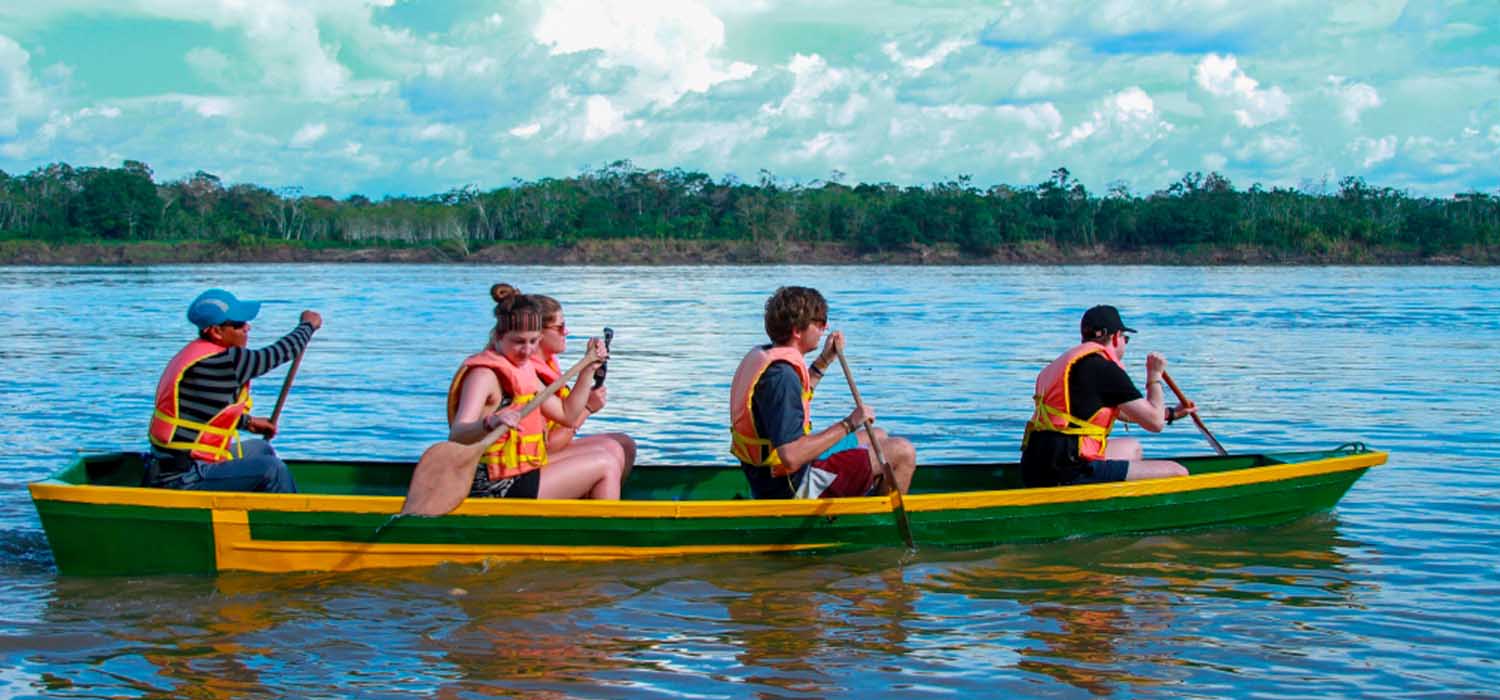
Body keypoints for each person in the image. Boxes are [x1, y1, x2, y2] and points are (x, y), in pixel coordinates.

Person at [730, 285, 917, 499]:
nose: (825, 327)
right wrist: (848, 423)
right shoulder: (781, 377)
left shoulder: (770, 358)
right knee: (902, 452)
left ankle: (858, 500)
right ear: (797, 331)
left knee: (879, 435)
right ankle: (876, 526)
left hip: (774, 476)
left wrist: (824, 361)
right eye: (819, 322)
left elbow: (794, 398)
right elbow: (791, 456)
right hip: (790, 486)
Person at [446, 284, 624, 500]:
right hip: (493, 486)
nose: (527, 350)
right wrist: (489, 422)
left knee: (609, 453)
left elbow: (567, 415)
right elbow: (458, 434)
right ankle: (604, 532)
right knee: (605, 465)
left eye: (533, 341)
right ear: (499, 337)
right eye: (518, 342)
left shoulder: (523, 370)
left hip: (521, 473)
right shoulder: (483, 375)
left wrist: (588, 368)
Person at [145, 288, 321, 492]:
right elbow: (280, 353)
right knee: (272, 469)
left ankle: (250, 512)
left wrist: (248, 422)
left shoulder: (198, 355)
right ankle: (290, 521)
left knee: (261, 448)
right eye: (238, 324)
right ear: (215, 331)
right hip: (183, 476)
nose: (247, 328)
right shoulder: (224, 361)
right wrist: (307, 325)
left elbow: (204, 413)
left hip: (177, 464)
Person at [1020, 304, 1195, 488]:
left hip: (1035, 464)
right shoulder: (1104, 369)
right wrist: (1154, 376)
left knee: (1132, 448)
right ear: (1115, 337)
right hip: (1067, 470)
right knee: (1178, 472)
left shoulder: (1068, 364)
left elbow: (1124, 413)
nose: (1124, 344)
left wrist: (1171, 414)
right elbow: (1155, 423)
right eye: (1125, 339)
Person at [529, 293, 636, 483]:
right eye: (560, 327)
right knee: (609, 457)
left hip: (540, 457)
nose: (567, 332)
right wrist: (587, 409)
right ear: (537, 333)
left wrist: (591, 368)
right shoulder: (529, 376)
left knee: (623, 444)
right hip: (530, 466)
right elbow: (550, 446)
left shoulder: (547, 366)